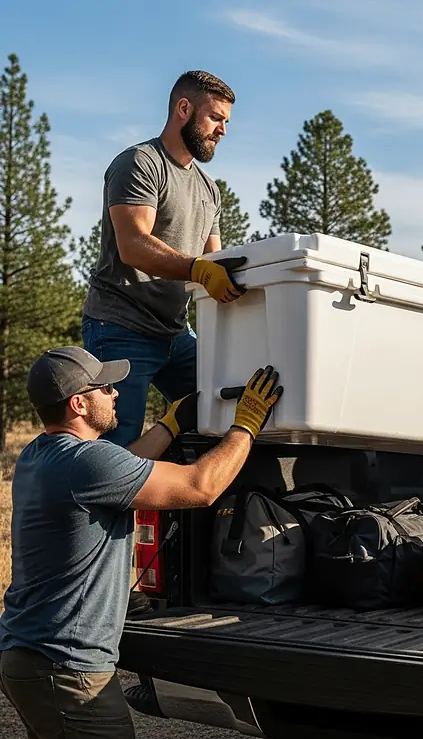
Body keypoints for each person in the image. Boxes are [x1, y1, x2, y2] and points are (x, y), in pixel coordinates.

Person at [0, 346, 283, 739]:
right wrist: (247, 424)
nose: (116, 393)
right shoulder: (88, 462)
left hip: (30, 657)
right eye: (106, 388)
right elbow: (200, 487)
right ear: (79, 403)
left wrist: (168, 425)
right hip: (67, 670)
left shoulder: (40, 455)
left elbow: (123, 465)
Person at [81, 69, 248, 449]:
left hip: (176, 334)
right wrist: (198, 270)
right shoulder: (140, 163)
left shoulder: (209, 190)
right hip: (120, 326)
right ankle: (106, 512)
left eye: (226, 122)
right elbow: (134, 245)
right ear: (183, 108)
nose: (223, 130)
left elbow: (215, 261)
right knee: (113, 449)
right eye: (216, 118)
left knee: (220, 410)